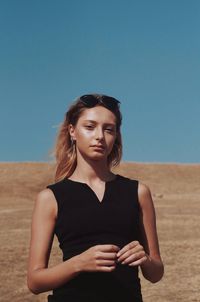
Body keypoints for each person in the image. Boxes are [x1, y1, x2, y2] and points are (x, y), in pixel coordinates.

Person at [27, 93, 164, 302]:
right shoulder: (50, 198)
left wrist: (144, 259)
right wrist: (79, 263)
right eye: (89, 127)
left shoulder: (138, 192)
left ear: (116, 135)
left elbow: (155, 274)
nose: (100, 136)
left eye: (109, 129)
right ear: (72, 131)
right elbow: (35, 282)